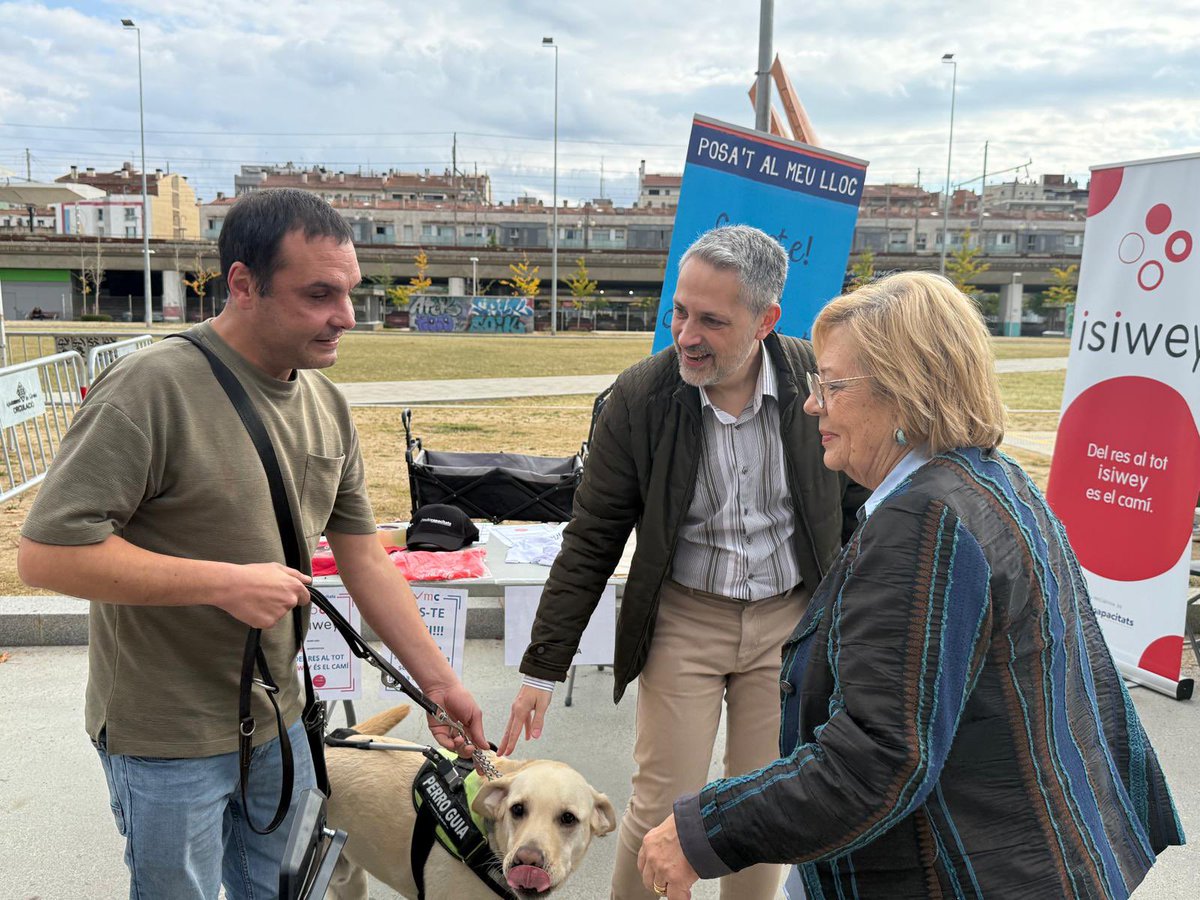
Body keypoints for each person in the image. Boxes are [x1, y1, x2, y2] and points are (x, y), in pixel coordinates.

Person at [638, 271, 1184, 899]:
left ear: (903, 392)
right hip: (1033, 858)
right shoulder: (992, 480)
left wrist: (703, 829)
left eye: (833, 385)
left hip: (968, 871)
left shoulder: (924, 523)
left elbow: (877, 758)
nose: (814, 402)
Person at [17, 188, 488, 899]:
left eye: (350, 291)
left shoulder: (326, 404)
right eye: (319, 294)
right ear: (242, 284)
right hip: (164, 737)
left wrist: (439, 684)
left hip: (282, 723)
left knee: (278, 891)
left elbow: (364, 558)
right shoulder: (150, 388)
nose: (346, 316)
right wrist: (220, 582)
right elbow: (47, 553)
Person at [500, 224, 865, 900]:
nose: (686, 334)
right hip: (684, 620)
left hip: (790, 623)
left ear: (766, 320)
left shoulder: (819, 386)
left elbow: (857, 508)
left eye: (712, 320)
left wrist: (851, 623)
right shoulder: (640, 398)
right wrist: (542, 668)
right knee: (665, 804)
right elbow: (593, 536)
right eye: (680, 310)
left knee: (766, 805)